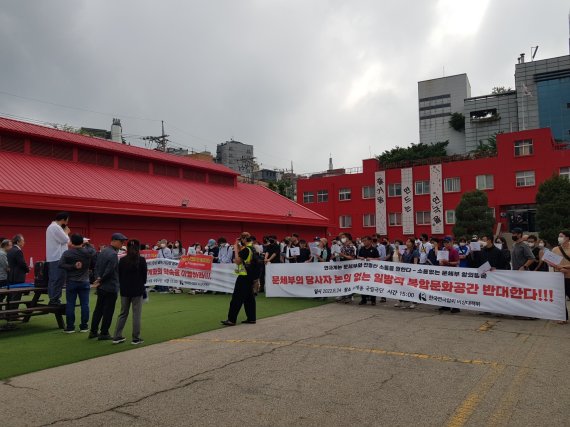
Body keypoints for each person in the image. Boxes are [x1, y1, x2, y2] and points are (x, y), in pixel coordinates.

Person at [89, 233, 128, 340]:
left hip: (101, 286)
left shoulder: (103, 251)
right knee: (108, 311)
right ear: (114, 241)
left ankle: (93, 331)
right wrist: (100, 280)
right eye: (121, 241)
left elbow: (96, 267)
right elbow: (109, 271)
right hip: (110, 286)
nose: (122, 244)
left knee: (98, 309)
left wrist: (97, 279)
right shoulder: (112, 254)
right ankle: (104, 332)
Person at [113, 239, 148, 345]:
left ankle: (117, 336)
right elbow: (144, 278)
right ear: (138, 248)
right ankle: (136, 338)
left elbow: (119, 275)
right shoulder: (141, 260)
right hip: (137, 290)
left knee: (123, 313)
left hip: (124, 290)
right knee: (136, 314)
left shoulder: (122, 260)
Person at [59, 234, 96, 333]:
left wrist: (73, 266)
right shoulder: (87, 252)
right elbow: (94, 251)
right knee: (85, 304)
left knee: (70, 304)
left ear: (72, 242)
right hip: (84, 281)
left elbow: (61, 264)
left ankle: (70, 327)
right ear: (82, 242)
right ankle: (84, 326)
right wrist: (87, 244)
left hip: (71, 281)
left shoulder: (67, 253)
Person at [221, 233, 257, 326]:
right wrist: (239, 247)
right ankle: (251, 318)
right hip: (250, 275)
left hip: (243, 275)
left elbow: (237, 261)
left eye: (241, 239)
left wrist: (236, 249)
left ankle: (231, 320)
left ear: (244, 239)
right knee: (249, 298)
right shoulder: (252, 248)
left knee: (236, 298)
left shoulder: (246, 250)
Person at [45, 212, 71, 305]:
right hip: (58, 256)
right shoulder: (56, 227)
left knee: (54, 278)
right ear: (63, 219)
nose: (67, 223)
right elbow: (65, 240)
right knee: (58, 278)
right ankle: (54, 299)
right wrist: (67, 232)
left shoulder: (51, 227)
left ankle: (54, 298)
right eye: (67, 220)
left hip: (54, 256)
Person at [551, 230, 570, 324]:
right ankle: (563, 317)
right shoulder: (555, 249)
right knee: (560, 298)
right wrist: (558, 268)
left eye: (561, 236)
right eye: (559, 236)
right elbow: (550, 262)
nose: (559, 238)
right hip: (558, 277)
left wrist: (564, 268)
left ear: (567, 238)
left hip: (569, 276)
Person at [438, 236, 461, 313]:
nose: (446, 244)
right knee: (445, 288)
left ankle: (456, 307)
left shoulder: (454, 251)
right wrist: (441, 262)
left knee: (453, 290)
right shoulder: (443, 250)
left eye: (447, 242)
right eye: (444, 242)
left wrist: (448, 263)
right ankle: (446, 305)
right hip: (444, 272)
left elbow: (458, 262)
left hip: (453, 273)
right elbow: (440, 261)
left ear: (451, 242)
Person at [395, 238, 420, 309]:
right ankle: (400, 301)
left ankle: (414, 302)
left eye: (409, 242)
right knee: (402, 286)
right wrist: (399, 255)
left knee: (412, 287)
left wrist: (413, 271)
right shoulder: (404, 250)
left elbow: (415, 263)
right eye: (406, 241)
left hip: (411, 272)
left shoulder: (415, 251)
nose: (407, 243)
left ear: (412, 243)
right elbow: (401, 260)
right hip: (404, 272)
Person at [357, 236, 380, 306]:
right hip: (363, 271)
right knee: (362, 284)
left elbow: (378, 259)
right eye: (363, 241)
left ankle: (373, 300)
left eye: (365, 241)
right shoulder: (361, 249)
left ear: (370, 241)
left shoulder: (374, 249)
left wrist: (371, 259)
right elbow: (357, 256)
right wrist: (360, 258)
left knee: (372, 284)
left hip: (372, 271)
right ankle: (363, 299)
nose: (364, 242)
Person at [0, 239, 12, 304]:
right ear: (5, 246)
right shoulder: (2, 254)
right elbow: (6, 267)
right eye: (10, 245)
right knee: (2, 296)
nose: (11, 247)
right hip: (2, 278)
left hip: (2, 277)